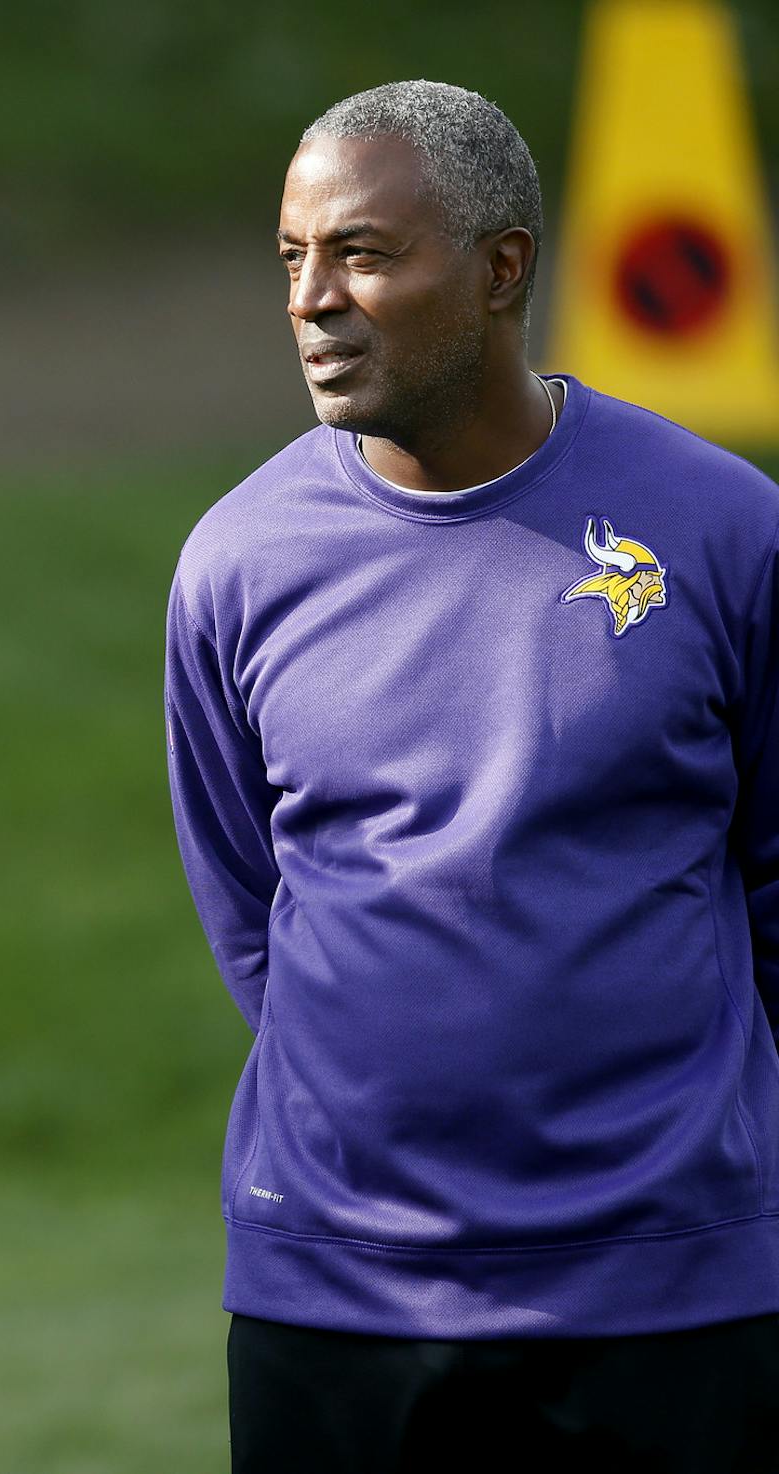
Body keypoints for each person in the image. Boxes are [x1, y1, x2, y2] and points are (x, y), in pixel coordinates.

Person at [165, 80, 779, 1470]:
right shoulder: (236, 564)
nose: (311, 299)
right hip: (340, 1298)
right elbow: (254, 908)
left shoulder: (728, 530)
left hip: (670, 1289)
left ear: (504, 269)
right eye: (292, 258)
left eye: (364, 254)